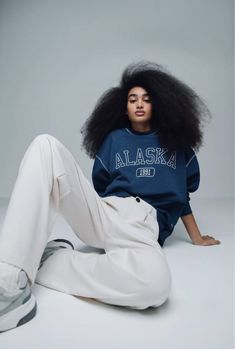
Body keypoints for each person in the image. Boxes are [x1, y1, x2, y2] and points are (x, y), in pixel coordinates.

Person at [0, 61, 220, 333]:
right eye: (132, 99)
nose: (139, 104)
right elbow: (101, 186)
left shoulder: (177, 145)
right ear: (124, 108)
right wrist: (106, 211)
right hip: (105, 212)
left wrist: (196, 237)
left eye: (147, 99)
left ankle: (47, 260)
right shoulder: (114, 140)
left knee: (154, 286)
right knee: (45, 145)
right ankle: (8, 284)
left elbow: (181, 196)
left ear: (159, 104)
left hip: (143, 226)